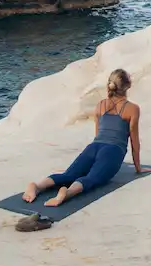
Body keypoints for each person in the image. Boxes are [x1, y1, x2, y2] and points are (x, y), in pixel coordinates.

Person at [23, 68, 143, 208]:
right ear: (127, 86)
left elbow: (98, 134)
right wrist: (138, 168)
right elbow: (134, 142)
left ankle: (37, 186)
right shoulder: (133, 109)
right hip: (113, 150)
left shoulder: (100, 105)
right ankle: (66, 194)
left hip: (93, 147)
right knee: (92, 178)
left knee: (68, 175)